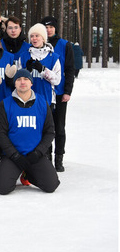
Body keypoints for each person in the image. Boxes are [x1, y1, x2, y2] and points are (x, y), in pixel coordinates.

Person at [0, 69, 60, 194]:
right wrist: (14, 155)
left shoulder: (42, 103)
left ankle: (28, 174)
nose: (22, 82)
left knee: (51, 185)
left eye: (26, 79)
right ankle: (17, 171)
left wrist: (38, 152)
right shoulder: (6, 104)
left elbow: (50, 132)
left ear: (31, 83)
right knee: (2, 188)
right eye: (18, 79)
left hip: (35, 155)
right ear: (14, 83)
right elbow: (0, 133)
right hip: (14, 156)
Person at [41, 16, 75, 172]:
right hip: (44, 93)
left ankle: (59, 158)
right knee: (45, 128)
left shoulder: (64, 45)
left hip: (60, 93)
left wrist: (67, 91)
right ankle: (46, 157)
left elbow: (69, 69)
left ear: (55, 28)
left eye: (51, 27)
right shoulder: (38, 45)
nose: (48, 30)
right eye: (45, 27)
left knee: (59, 128)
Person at [24, 23, 62, 113]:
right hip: (27, 100)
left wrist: (43, 70)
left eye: (37, 35)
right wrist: (26, 71)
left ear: (43, 38)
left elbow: (57, 80)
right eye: (32, 36)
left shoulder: (53, 57)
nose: (34, 38)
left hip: (47, 98)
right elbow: (17, 80)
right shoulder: (24, 56)